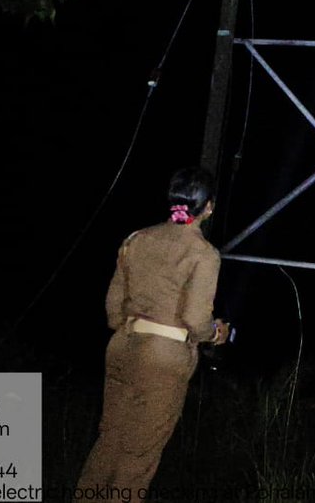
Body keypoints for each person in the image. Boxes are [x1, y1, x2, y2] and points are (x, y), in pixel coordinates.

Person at [74, 167, 231, 503]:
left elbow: (113, 307)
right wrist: (214, 333)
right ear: (209, 207)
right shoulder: (203, 254)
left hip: (123, 346)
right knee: (138, 454)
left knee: (109, 441)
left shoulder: (136, 239)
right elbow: (195, 319)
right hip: (163, 359)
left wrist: (137, 329)